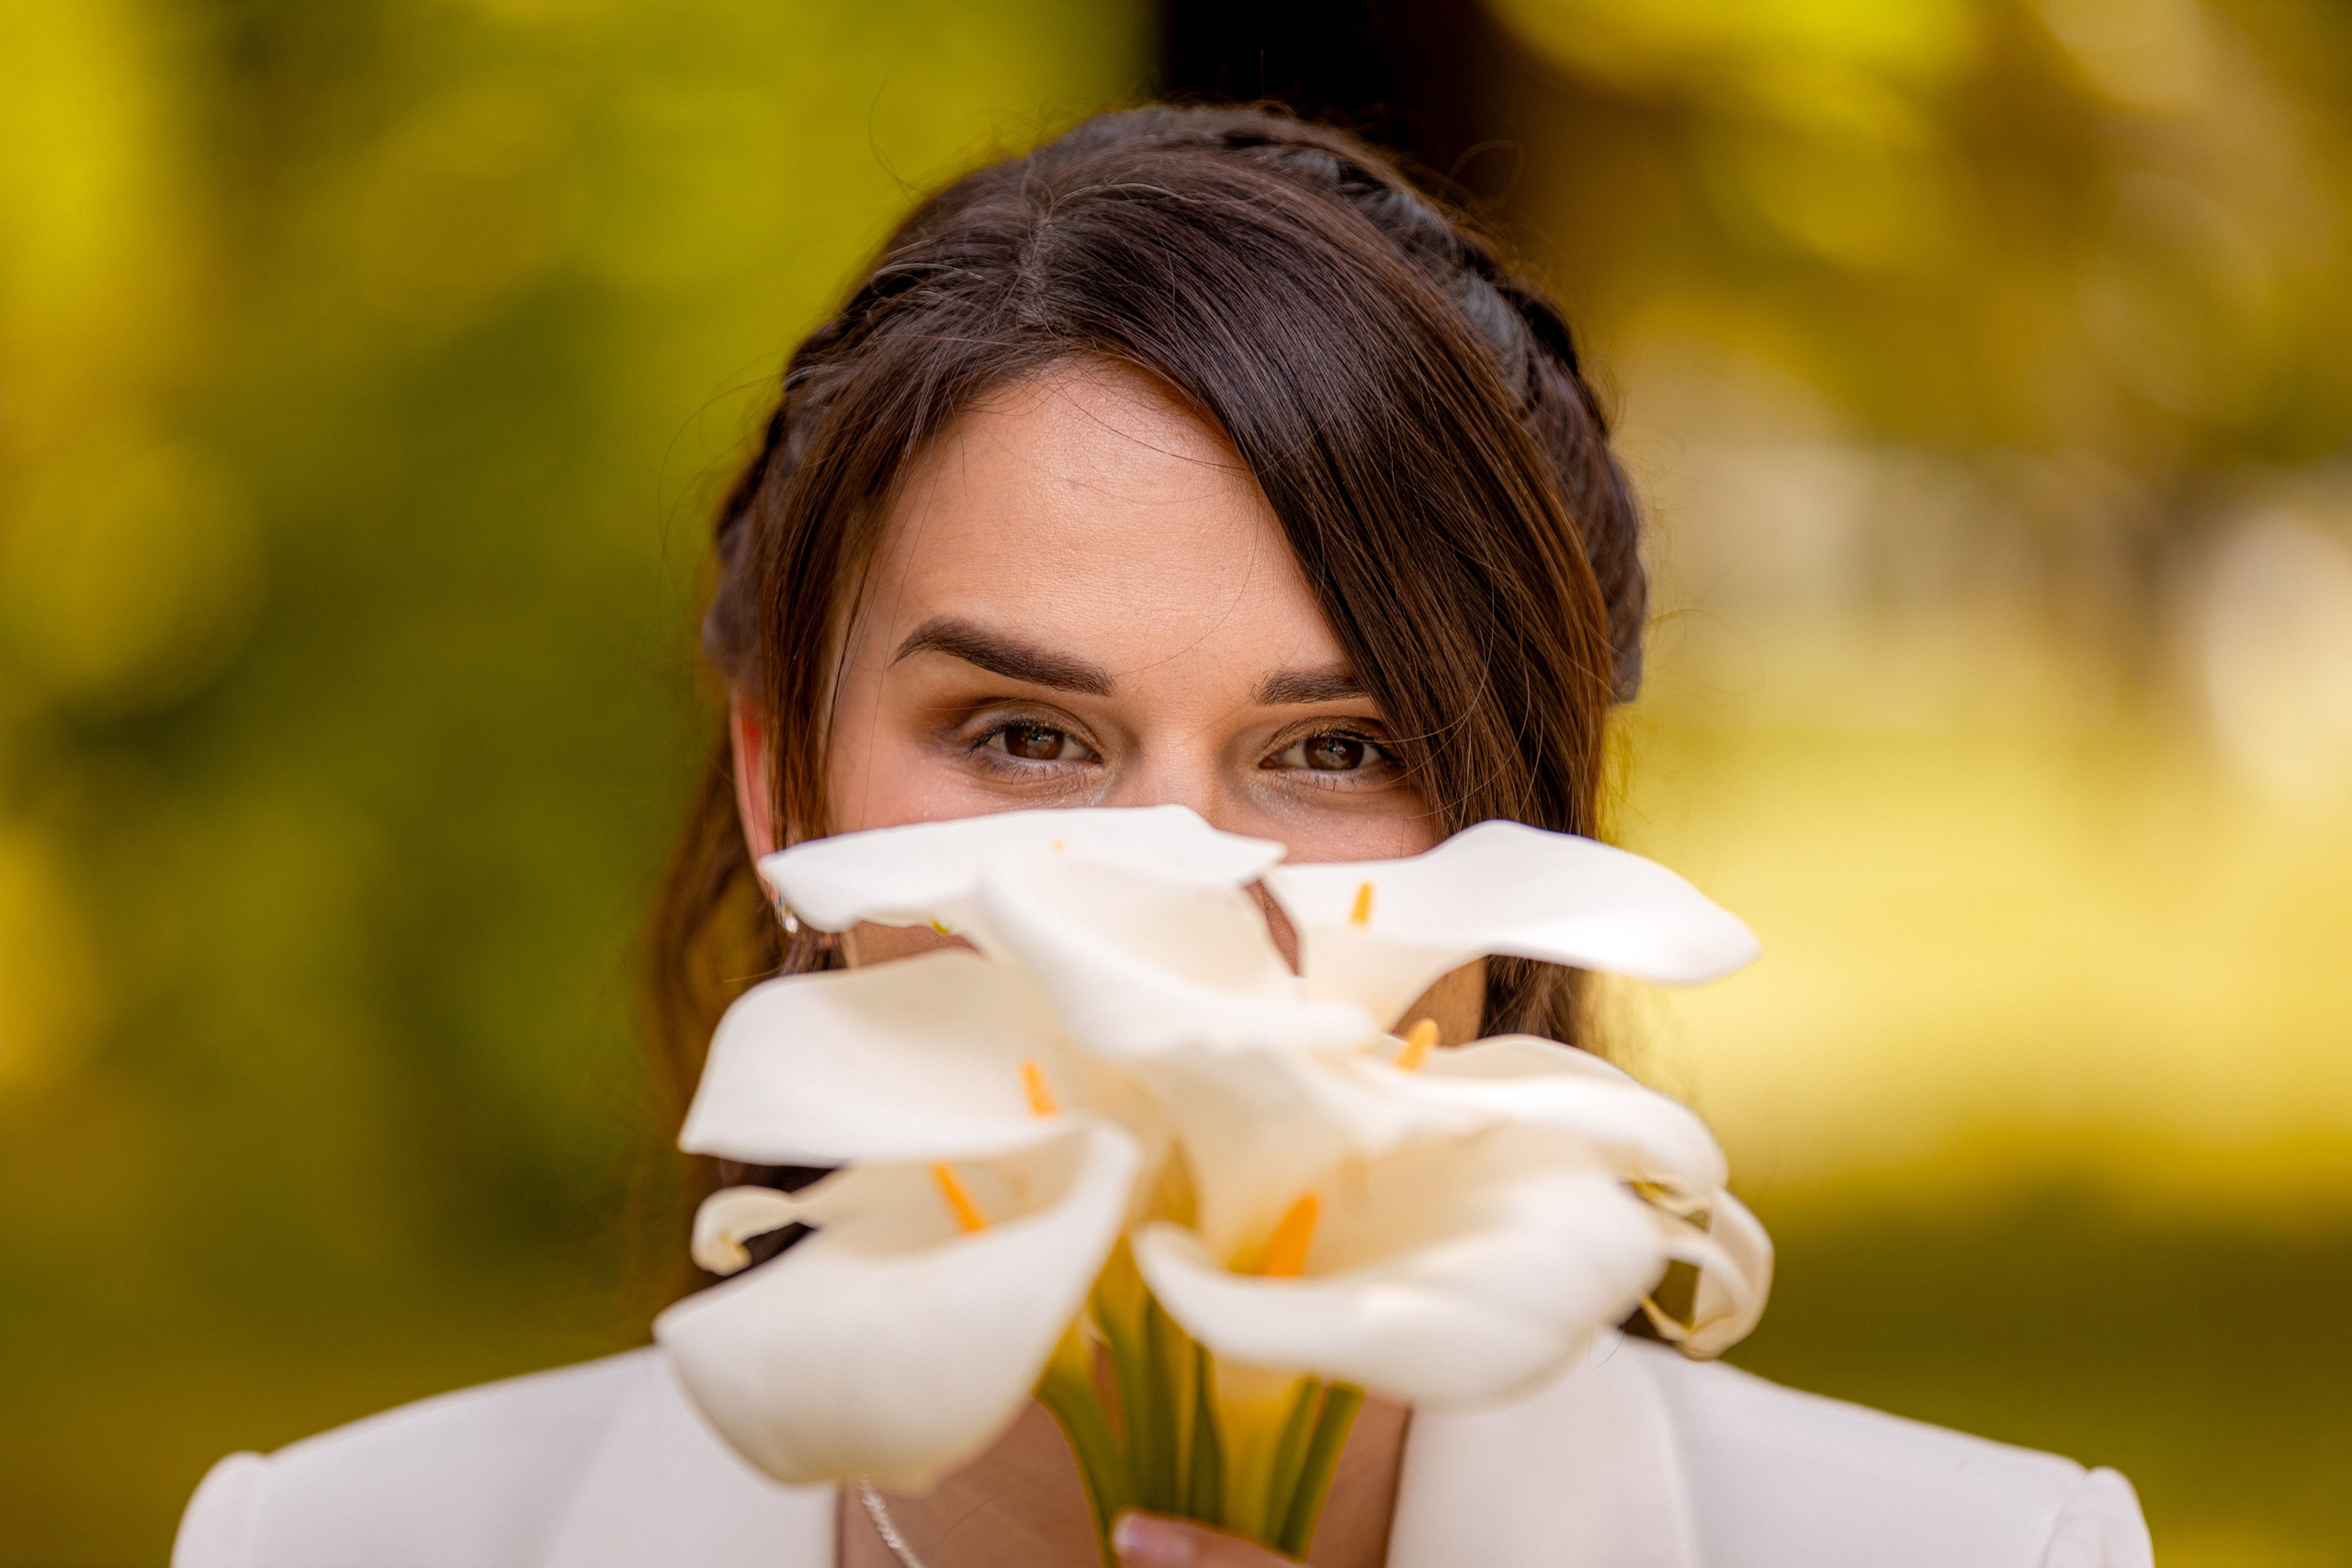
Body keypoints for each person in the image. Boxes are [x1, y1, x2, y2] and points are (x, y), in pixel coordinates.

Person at [171, 106, 2153, 1568]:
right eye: (1023, 733)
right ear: (785, 790)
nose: (1165, 887)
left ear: (1533, 826)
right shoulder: (324, 1541)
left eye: (1338, 744)